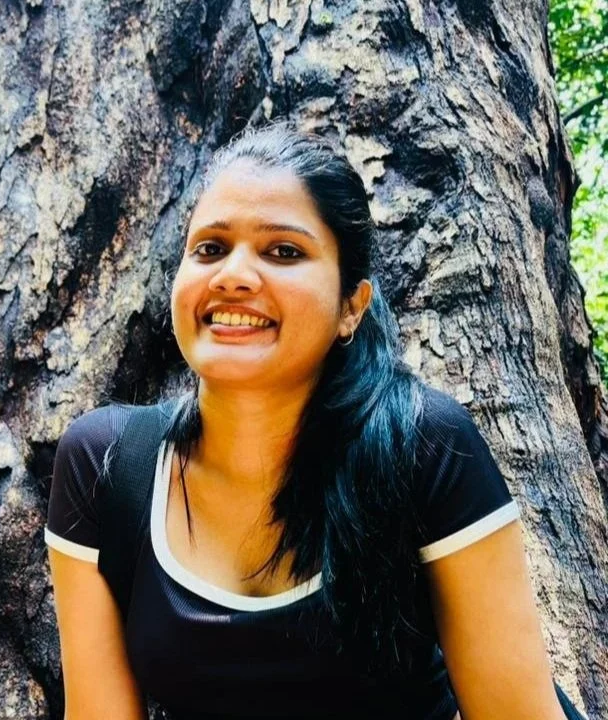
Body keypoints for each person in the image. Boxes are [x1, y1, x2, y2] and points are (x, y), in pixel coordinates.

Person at [44, 123, 577, 719]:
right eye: (210, 248)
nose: (232, 275)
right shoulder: (105, 465)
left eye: (284, 252)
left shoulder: (423, 447)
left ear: (351, 306)